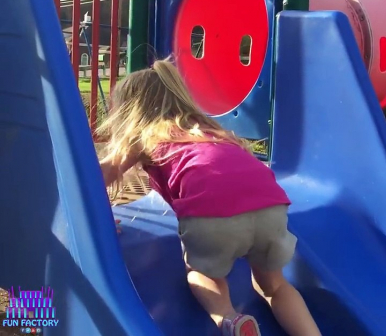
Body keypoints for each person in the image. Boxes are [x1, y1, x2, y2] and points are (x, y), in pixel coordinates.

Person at [97, 59, 321, 336]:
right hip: (271, 206)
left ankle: (231, 319)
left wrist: (96, 218)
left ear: (132, 113)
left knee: (202, 276)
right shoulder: (214, 132)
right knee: (274, 286)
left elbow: (103, 174)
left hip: (213, 215)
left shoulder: (146, 135)